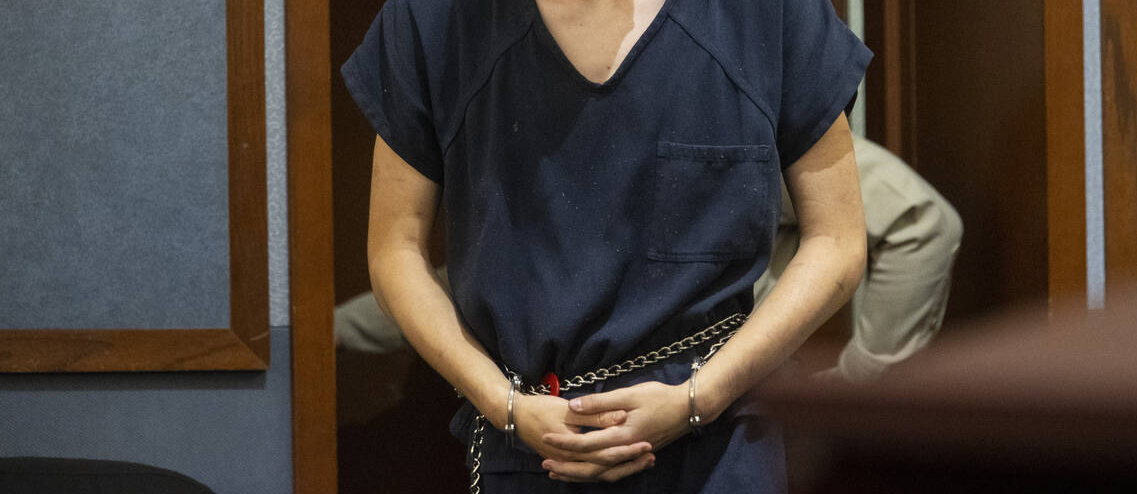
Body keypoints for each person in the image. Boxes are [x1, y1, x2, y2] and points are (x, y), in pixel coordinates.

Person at [340, 0, 872, 493]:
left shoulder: (767, 1)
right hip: (529, 436)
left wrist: (698, 397)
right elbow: (395, 252)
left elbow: (838, 243)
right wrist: (505, 405)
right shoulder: (437, 14)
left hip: (719, 436)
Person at [337, 135, 963, 381]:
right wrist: (327, 335)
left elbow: (917, 221)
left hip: (730, 420)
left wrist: (863, 382)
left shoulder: (726, 114)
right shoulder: (544, 135)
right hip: (559, 435)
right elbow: (482, 280)